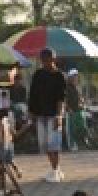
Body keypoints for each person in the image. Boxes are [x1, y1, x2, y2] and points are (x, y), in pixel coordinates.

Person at [29, 48, 67, 183]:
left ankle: (55, 171)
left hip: (53, 115)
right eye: (43, 60)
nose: (45, 63)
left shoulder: (59, 76)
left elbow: (61, 98)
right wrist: (31, 112)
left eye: (48, 60)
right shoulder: (38, 74)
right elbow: (32, 94)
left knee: (54, 145)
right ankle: (55, 169)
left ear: (53, 59)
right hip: (40, 114)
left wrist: (59, 116)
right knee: (45, 144)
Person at [64, 69, 87, 151]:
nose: (75, 78)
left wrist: (82, 102)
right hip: (70, 111)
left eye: (76, 76)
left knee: (80, 128)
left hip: (78, 111)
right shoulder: (66, 87)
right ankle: (71, 145)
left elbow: (80, 98)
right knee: (71, 129)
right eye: (74, 76)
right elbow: (64, 100)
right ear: (70, 77)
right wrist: (68, 108)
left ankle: (80, 144)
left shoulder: (77, 87)